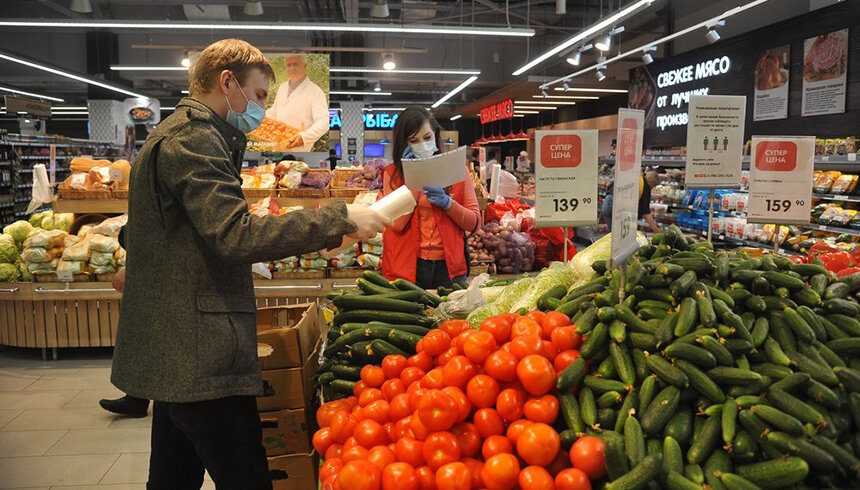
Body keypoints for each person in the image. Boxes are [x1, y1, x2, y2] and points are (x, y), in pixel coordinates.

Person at [110, 39, 389, 489]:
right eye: (259, 96)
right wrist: (339, 216)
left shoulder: (174, 132)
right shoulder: (196, 139)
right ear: (227, 82)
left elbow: (152, 227)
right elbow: (235, 235)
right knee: (245, 476)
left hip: (176, 345)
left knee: (171, 477)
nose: (262, 109)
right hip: (202, 352)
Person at [381, 106, 482, 290]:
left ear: (435, 134)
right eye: (413, 140)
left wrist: (448, 204)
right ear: (404, 144)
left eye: (427, 138)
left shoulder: (458, 171)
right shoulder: (392, 175)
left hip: (450, 269)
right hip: (408, 268)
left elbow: (474, 223)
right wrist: (413, 183)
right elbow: (396, 224)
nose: (423, 144)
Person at [265, 52, 328, 152]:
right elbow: (275, 111)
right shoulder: (283, 87)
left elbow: (323, 122)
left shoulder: (316, 91)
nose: (291, 68)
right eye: (288, 65)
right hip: (278, 145)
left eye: (295, 64)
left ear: (305, 66)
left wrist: (304, 137)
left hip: (299, 150)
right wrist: (260, 117)